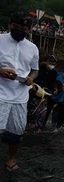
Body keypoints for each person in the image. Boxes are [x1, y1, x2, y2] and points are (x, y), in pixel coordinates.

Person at [0, 11, 39, 171]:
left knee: (16, 132)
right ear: (10, 24)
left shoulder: (32, 48)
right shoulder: (0, 39)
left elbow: (35, 70)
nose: (22, 30)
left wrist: (31, 78)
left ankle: (11, 158)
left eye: (26, 28)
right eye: (19, 27)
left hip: (20, 96)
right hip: (0, 93)